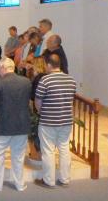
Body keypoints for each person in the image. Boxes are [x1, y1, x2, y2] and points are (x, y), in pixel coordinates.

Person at [34, 54, 76, 188]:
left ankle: (49, 180)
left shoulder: (45, 80)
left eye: (46, 64)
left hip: (48, 122)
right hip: (66, 121)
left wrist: (41, 112)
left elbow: (38, 102)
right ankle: (65, 179)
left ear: (49, 65)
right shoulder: (71, 80)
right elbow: (71, 101)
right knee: (64, 149)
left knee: (48, 150)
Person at [0, 58, 31, 192]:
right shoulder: (26, 82)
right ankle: (19, 184)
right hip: (21, 124)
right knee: (18, 156)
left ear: (2, 68)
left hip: (3, 124)